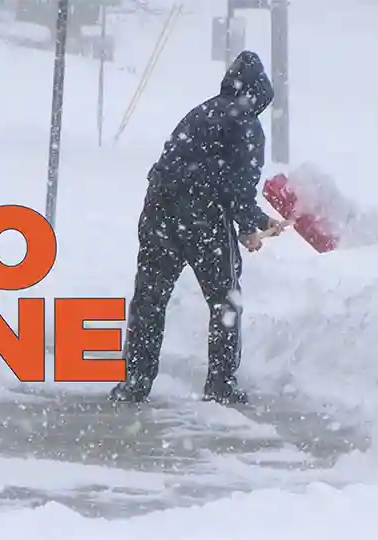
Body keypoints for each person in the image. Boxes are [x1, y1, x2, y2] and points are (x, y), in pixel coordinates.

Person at [109, 50, 286, 405]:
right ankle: (221, 385)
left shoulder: (202, 112)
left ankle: (135, 383)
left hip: (159, 207)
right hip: (201, 218)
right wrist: (252, 225)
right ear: (260, 95)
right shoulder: (247, 124)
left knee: (149, 299)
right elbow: (236, 187)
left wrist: (255, 221)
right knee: (225, 300)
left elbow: (198, 168)